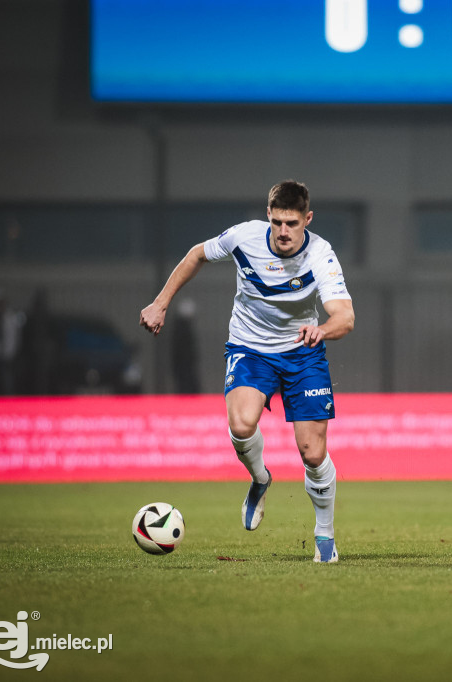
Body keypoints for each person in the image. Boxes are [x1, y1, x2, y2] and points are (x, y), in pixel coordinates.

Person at [140, 180, 355, 563]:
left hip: (302, 353)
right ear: (267, 216)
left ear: (307, 219)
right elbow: (196, 255)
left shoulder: (320, 254)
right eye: (276, 222)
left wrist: (320, 329)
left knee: (312, 451)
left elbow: (345, 317)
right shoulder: (244, 238)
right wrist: (160, 303)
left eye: (292, 223)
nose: (283, 232)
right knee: (241, 425)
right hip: (249, 347)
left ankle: (324, 534)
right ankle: (260, 478)